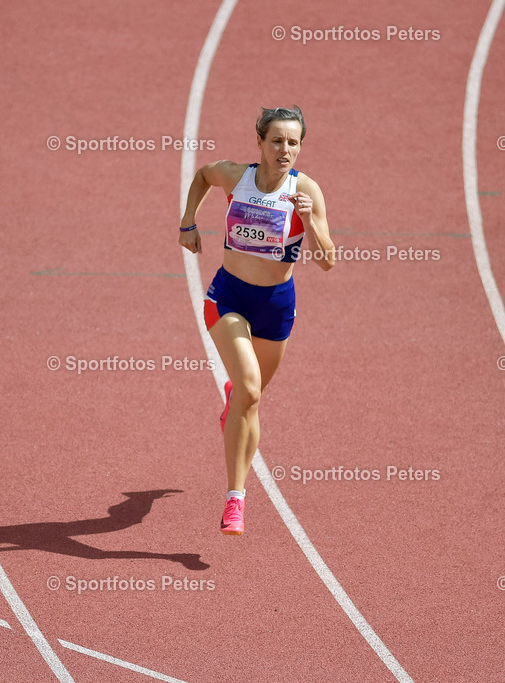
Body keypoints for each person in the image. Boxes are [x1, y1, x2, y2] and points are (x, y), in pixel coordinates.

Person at [178, 106, 335, 535]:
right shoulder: (236, 177)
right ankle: (236, 499)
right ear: (261, 143)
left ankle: (234, 399)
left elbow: (327, 261)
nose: (285, 150)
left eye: (293, 143)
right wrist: (188, 222)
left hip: (276, 307)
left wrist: (309, 221)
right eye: (277, 141)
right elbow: (203, 175)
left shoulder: (307, 190)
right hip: (229, 297)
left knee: (250, 399)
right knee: (249, 389)